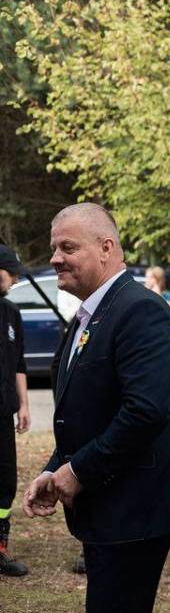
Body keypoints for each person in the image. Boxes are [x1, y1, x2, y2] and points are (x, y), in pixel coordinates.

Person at [22, 203, 170, 613]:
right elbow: (86, 410)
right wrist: (55, 469)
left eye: (68, 247)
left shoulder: (140, 309)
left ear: (106, 248)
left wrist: (76, 472)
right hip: (108, 498)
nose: (54, 258)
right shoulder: (90, 312)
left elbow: (145, 412)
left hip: (135, 505)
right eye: (53, 248)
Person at [0, 244, 30, 576]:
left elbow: (19, 362)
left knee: (5, 481)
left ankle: (0, 547)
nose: (15, 278)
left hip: (3, 415)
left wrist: (24, 404)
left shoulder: (11, 312)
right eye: (11, 272)